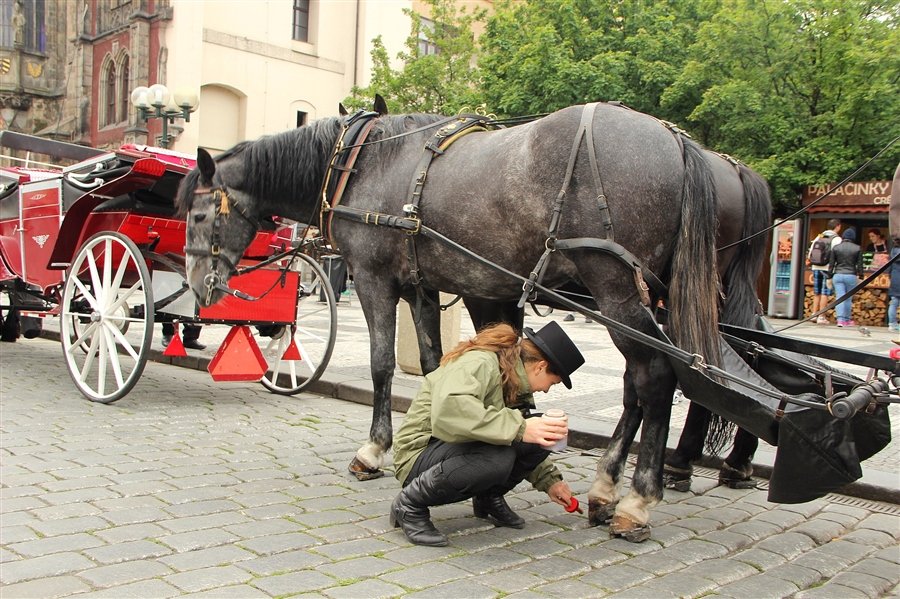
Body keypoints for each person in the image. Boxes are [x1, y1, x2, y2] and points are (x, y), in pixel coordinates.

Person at [390, 321, 585, 547]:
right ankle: (409, 504)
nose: (546, 389)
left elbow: (509, 432)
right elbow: (449, 414)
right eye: (553, 382)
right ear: (540, 367)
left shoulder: (511, 376)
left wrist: (549, 481)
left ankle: (488, 498)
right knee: (498, 457)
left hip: (451, 448)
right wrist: (522, 427)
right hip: (418, 456)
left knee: (544, 432)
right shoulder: (479, 362)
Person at [808, 219, 842, 324]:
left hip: (815, 267)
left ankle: (814, 314)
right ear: (838, 227)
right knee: (825, 293)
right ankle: (821, 317)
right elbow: (837, 256)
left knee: (816, 292)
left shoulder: (819, 237)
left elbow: (810, 254)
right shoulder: (836, 239)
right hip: (827, 268)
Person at [829, 228, 863, 327]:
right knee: (848, 298)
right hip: (851, 275)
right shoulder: (857, 248)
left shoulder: (836, 248)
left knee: (839, 297)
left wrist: (829, 276)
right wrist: (861, 275)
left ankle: (840, 320)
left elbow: (831, 263)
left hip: (838, 274)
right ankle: (846, 320)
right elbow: (860, 264)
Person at [888, 242, 900, 332]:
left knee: (894, 303)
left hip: (895, 278)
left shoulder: (893, 251)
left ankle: (892, 324)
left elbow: (889, 268)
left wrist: (891, 277)